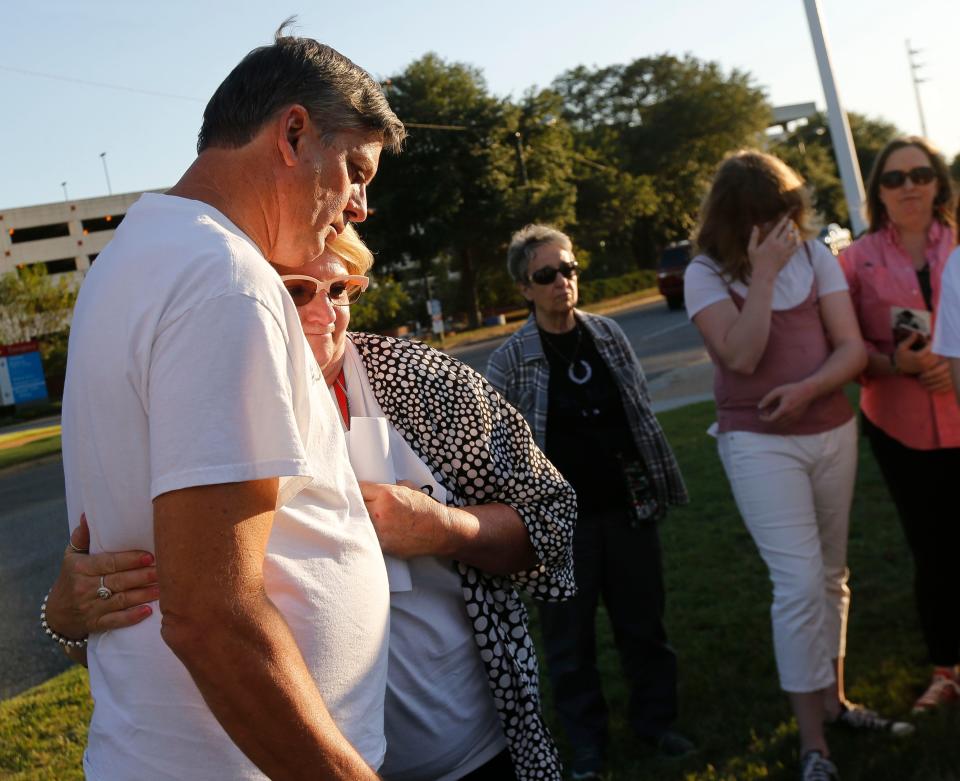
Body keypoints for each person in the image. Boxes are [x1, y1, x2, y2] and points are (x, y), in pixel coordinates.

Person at [45, 224, 577, 781]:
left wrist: (445, 528)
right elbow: (150, 631)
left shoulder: (423, 384)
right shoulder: (196, 421)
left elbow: (552, 516)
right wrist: (66, 616)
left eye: (340, 289)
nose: (328, 313)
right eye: (296, 291)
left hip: (471, 758)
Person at [54, 26, 406, 781]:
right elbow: (212, 616)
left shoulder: (137, 255)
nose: (361, 205)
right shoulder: (226, 279)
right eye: (356, 169)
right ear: (292, 132)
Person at [684, 150, 912, 781]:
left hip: (832, 433)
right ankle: (813, 743)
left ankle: (835, 704)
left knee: (833, 576)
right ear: (737, 220)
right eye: (766, 216)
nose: (784, 227)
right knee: (799, 583)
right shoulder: (706, 273)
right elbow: (743, 356)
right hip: (759, 444)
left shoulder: (815, 257)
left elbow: (851, 349)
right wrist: (760, 278)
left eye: (787, 212)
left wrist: (810, 390)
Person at [486, 224, 691, 781]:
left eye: (569, 270)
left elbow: (641, 417)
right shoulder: (510, 360)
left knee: (644, 626)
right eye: (546, 275)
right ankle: (588, 747)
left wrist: (654, 487)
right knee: (569, 643)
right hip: (558, 529)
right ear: (526, 288)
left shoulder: (608, 335)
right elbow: (496, 454)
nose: (562, 283)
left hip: (627, 509)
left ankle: (656, 723)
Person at [840, 136, 960, 715]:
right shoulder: (854, 261)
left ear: (938, 182)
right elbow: (841, 344)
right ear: (878, 192)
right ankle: (948, 668)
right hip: (900, 428)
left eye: (919, 173)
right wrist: (895, 363)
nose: (908, 185)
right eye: (893, 178)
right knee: (933, 549)